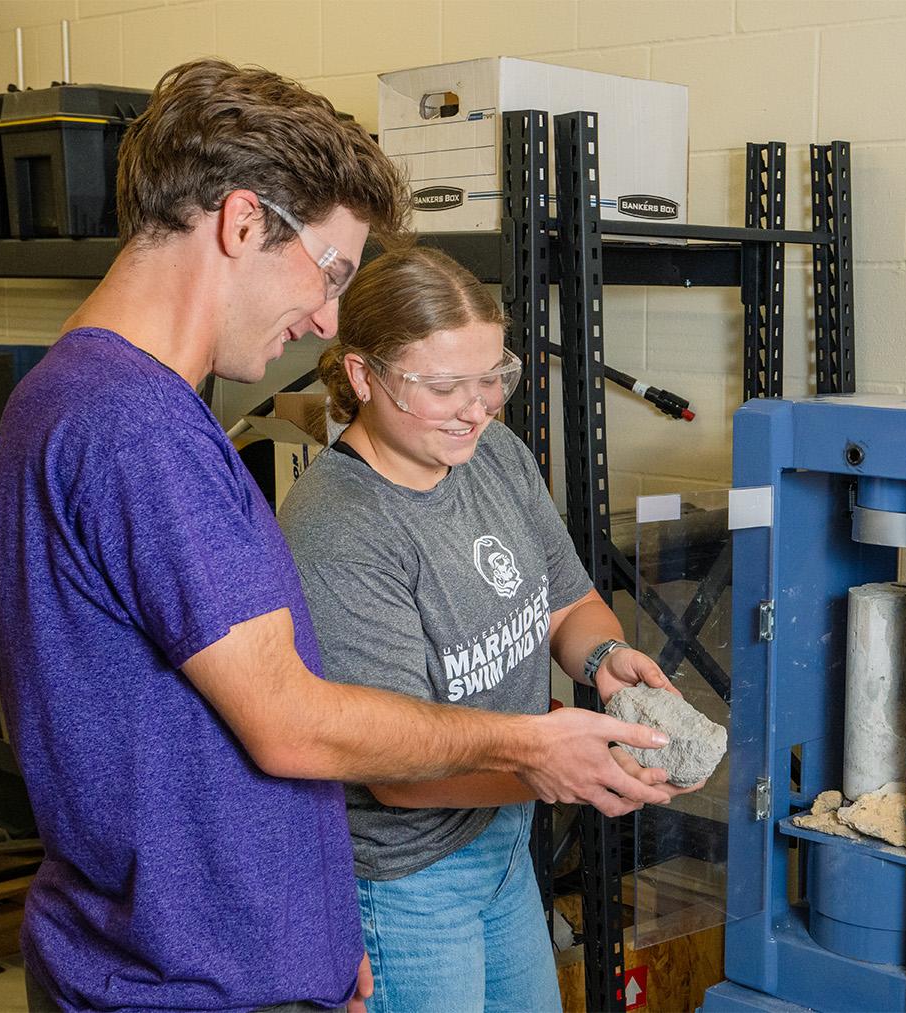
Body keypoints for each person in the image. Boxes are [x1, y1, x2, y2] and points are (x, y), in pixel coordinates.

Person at [0, 59, 674, 1013]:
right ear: (242, 222)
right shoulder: (135, 429)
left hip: (225, 955)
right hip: (182, 979)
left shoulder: (91, 402)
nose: (326, 316)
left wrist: (312, 931)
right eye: (333, 270)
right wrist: (532, 744)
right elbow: (291, 722)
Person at [277, 246, 701, 1011]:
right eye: (444, 386)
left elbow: (567, 603)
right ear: (363, 376)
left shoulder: (493, 456)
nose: (478, 407)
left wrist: (604, 656)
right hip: (406, 878)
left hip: (502, 838)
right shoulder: (340, 528)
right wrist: (566, 765)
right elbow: (396, 770)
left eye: (491, 378)